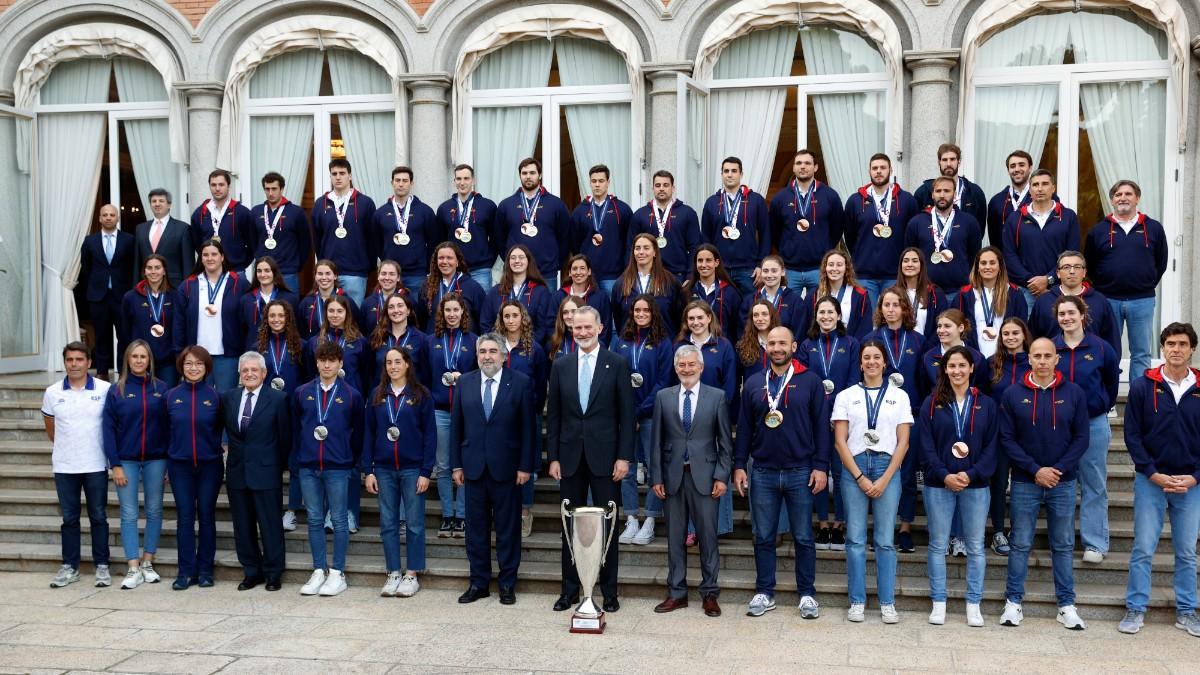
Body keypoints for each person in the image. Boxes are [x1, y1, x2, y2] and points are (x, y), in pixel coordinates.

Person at [734, 326, 830, 619]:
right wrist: (739, 465)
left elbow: (821, 428)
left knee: (803, 536)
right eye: (772, 343)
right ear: (766, 347)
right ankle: (764, 592)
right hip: (762, 471)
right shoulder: (753, 383)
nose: (777, 348)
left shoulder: (811, 381)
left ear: (794, 345)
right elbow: (745, 428)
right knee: (763, 535)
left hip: (801, 470)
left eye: (782, 343)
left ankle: (807, 594)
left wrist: (821, 466)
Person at [546, 305, 635, 613]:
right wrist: (553, 456)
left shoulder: (617, 363)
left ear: (599, 328)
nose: (581, 332)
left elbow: (627, 415)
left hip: (606, 458)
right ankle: (569, 589)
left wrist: (624, 457)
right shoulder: (561, 365)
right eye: (576, 327)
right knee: (568, 525)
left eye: (587, 327)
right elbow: (554, 415)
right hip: (569, 457)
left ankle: (609, 591)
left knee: (608, 525)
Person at [998, 337, 1090, 630]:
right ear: (1029, 359)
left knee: (1062, 544)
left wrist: (1058, 470)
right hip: (1026, 481)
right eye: (1036, 355)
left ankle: (1066, 605)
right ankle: (1013, 603)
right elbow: (1007, 439)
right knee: (1020, 543)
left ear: (1056, 359)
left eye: (1047, 355)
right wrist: (1035, 469)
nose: (1041, 360)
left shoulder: (1074, 393)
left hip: (1063, 482)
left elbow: (1081, 438)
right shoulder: (1013, 394)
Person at [1119, 322, 1200, 635]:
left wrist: (1194, 477)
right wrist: (1153, 473)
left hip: (1190, 485)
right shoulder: (1143, 386)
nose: (1176, 349)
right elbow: (1132, 435)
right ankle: (1135, 609)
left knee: (1187, 552)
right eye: (1170, 344)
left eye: (1182, 344)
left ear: (1191, 349)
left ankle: (1187, 611)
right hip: (1151, 480)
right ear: (1162, 348)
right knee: (1143, 548)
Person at [451, 333, 537, 605]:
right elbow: (456, 427)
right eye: (482, 351)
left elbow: (529, 429)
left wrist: (526, 466)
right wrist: (455, 464)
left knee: (508, 530)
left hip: (508, 470)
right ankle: (478, 583)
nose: (487, 356)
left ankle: (507, 584)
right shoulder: (465, 382)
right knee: (475, 530)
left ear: (503, 355)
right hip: (473, 469)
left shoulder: (520, 383)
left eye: (492, 351)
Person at [833, 339, 913, 624]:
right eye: (866, 357)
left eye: (876, 357)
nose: (871, 362)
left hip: (886, 466)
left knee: (885, 541)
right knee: (855, 539)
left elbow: (903, 442)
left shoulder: (899, 396)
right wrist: (859, 476)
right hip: (854, 466)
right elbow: (840, 441)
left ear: (884, 362)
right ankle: (857, 601)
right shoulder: (846, 395)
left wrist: (885, 478)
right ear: (860, 363)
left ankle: (887, 602)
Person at [650, 344, 733, 617]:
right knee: (674, 537)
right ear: (676, 368)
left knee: (708, 537)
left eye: (691, 365)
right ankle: (677, 593)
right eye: (682, 365)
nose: (686, 369)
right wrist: (657, 477)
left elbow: (724, 441)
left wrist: (722, 476)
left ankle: (710, 594)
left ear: (701, 367)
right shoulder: (663, 396)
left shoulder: (717, 397)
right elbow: (656, 442)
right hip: (673, 477)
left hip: (706, 478)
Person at [918, 346, 998, 626]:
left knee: (975, 546)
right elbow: (925, 446)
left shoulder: (986, 403)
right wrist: (944, 475)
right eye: (952, 366)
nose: (957, 371)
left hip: (975, 485)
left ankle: (973, 603)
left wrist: (972, 474)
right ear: (945, 370)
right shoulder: (932, 402)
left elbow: (992, 446)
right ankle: (938, 601)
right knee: (938, 544)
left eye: (962, 365)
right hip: (939, 484)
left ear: (972, 368)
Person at [363, 347, 436, 598]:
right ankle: (393, 571)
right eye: (388, 363)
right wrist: (368, 470)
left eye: (397, 362)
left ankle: (412, 574)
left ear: (407, 364)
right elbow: (369, 434)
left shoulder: (420, 395)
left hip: (412, 468)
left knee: (414, 523)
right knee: (388, 523)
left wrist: (426, 471)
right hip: (383, 469)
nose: (393, 366)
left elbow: (430, 436)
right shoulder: (377, 395)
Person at [293, 341, 364, 597]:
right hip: (309, 465)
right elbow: (296, 428)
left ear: (340, 363)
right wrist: (302, 457)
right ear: (316, 362)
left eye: (332, 360)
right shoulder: (302, 392)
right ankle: (319, 569)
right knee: (313, 518)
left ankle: (338, 572)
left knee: (339, 518)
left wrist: (350, 459)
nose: (326, 364)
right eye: (322, 360)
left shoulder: (352, 395)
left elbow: (357, 432)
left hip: (338, 466)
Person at [1052, 295, 1119, 564]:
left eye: (1071, 313)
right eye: (1061, 314)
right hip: (1058, 426)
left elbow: (1111, 386)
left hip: (1093, 423)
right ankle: (1063, 540)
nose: (1066, 318)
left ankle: (1095, 543)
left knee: (1093, 484)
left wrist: (1100, 406)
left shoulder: (1101, 348)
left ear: (1082, 315)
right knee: (1063, 484)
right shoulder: (1050, 348)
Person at [43, 342, 112, 589]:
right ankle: (70, 567)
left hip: (95, 463)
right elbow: (52, 430)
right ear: (65, 363)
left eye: (79, 359)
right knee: (70, 519)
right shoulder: (52, 392)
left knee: (98, 516)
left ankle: (102, 566)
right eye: (70, 360)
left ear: (89, 363)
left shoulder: (105, 389)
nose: (74, 364)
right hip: (64, 465)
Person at [102, 340, 169, 589]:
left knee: (154, 510)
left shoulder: (161, 389)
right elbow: (108, 430)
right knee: (129, 513)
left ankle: (148, 562)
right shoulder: (116, 390)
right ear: (127, 360)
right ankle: (133, 567)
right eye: (134, 356)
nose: (139, 361)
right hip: (126, 460)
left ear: (149, 360)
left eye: (143, 356)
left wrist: (169, 462)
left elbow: (168, 427)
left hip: (156, 459)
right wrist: (115, 464)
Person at [1084, 179, 1168, 377]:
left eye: (1128, 194)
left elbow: (1161, 263)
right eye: (1118, 194)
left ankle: (1139, 401)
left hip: (1142, 300)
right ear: (1112, 200)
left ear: (1137, 198)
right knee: (1107, 350)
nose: (1123, 198)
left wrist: (1144, 283)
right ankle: (1109, 402)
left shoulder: (1153, 228)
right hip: (1107, 299)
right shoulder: (1098, 231)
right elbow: (1089, 264)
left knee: (1141, 353)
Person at [223, 350, 292, 592]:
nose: (250, 374)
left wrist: (277, 465)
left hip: (266, 472)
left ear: (264, 373)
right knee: (243, 526)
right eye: (245, 370)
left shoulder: (279, 399)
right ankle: (251, 571)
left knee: (270, 525)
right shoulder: (229, 398)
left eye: (255, 370)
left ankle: (273, 573)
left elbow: (285, 438)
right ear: (239, 374)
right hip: (237, 472)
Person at [864, 287, 925, 552]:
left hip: (910, 413)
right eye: (886, 305)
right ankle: (879, 527)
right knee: (876, 470)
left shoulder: (918, 340)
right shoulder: (871, 338)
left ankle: (905, 527)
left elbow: (923, 379)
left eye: (895, 305)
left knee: (907, 471)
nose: (890, 309)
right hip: (877, 415)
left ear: (904, 309)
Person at [799, 296, 861, 546]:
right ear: (816, 316)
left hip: (842, 417)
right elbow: (803, 379)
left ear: (838, 315)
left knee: (842, 470)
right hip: (815, 416)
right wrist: (818, 410)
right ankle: (823, 523)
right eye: (821, 312)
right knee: (819, 469)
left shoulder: (851, 343)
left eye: (830, 312)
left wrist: (839, 412)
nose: (825, 316)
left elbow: (854, 379)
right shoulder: (807, 344)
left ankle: (840, 523)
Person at [612, 294, 673, 546]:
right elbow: (614, 377)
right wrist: (627, 412)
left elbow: (664, 381)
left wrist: (638, 412)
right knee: (625, 468)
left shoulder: (662, 342)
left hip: (650, 415)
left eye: (645, 310)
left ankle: (649, 519)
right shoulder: (621, 341)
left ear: (653, 313)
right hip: (625, 415)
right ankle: (631, 518)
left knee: (652, 466)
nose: (640, 314)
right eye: (637, 310)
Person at [165, 346, 224, 589]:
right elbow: (164, 432)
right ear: (181, 366)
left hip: (210, 465)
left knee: (207, 517)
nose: (193, 368)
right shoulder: (171, 396)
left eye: (199, 364)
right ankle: (185, 571)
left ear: (207, 367)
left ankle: (206, 570)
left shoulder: (215, 397)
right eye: (189, 363)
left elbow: (222, 430)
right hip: (180, 466)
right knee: (185, 518)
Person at [495, 301, 548, 537]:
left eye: (515, 315)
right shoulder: (494, 347)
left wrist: (532, 411)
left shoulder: (534, 349)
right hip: (498, 418)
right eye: (506, 316)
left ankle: (525, 514)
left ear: (522, 318)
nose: (510, 320)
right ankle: (503, 513)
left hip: (526, 416)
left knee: (525, 465)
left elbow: (540, 385)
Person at [254, 300, 307, 533]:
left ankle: (292, 510)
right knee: (270, 461)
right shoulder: (257, 347)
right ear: (266, 319)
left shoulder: (301, 346)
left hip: (294, 411)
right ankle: (271, 508)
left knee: (295, 461)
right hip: (267, 412)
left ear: (288, 318)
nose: (276, 320)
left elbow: (307, 379)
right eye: (272, 316)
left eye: (281, 316)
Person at [428, 293, 478, 538]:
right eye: (447, 310)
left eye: (456, 310)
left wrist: (464, 379)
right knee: (444, 465)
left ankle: (462, 515)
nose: (451, 314)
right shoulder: (431, 342)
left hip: (467, 411)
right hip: (440, 411)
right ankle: (448, 515)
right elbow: (425, 377)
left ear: (462, 312)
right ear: (442, 313)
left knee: (466, 463)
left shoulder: (474, 341)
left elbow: (480, 376)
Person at [844, 153, 920, 308]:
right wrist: (862, 256)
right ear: (869, 171)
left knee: (894, 319)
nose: (878, 171)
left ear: (890, 170)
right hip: (864, 274)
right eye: (875, 168)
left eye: (883, 168)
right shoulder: (855, 201)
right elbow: (850, 236)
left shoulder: (907, 200)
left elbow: (913, 236)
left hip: (896, 275)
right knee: (867, 321)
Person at [174, 240, 248, 391]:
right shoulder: (188, 285)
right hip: (197, 355)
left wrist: (246, 352)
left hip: (228, 356)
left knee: (225, 401)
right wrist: (180, 352)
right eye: (205, 255)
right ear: (200, 258)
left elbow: (246, 320)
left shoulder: (238, 283)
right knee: (200, 400)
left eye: (214, 254)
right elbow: (179, 322)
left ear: (222, 257)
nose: (210, 258)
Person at [769, 150, 844, 298]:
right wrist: (787, 248)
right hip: (790, 269)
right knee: (789, 312)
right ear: (793, 168)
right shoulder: (781, 197)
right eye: (799, 163)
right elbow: (774, 231)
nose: (803, 167)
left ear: (815, 167)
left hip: (819, 268)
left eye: (807, 163)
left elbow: (837, 228)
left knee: (819, 313)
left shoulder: (830, 196)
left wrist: (824, 247)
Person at [1002, 170, 1080, 313]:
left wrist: (1048, 279)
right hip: (1025, 291)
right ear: (1030, 189)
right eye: (1035, 185)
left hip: (1059, 290)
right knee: (1027, 334)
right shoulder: (1015, 218)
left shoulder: (1068, 217)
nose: (1040, 188)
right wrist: (1032, 282)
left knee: (1058, 333)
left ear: (1053, 188)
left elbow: (1072, 255)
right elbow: (1009, 255)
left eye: (1045, 184)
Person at [986, 316, 1033, 555]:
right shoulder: (992, 363)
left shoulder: (1034, 363)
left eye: (1015, 333)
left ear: (1024, 335)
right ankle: (998, 532)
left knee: (1023, 484)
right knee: (998, 483)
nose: (1011, 337)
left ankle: (1019, 530)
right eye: (1006, 334)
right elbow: (982, 398)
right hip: (999, 434)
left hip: (1027, 434)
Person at [906, 176, 983, 304]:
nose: (942, 195)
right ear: (932, 195)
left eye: (947, 191)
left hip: (960, 291)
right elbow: (910, 254)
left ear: (955, 194)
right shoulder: (917, 222)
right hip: (926, 291)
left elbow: (975, 256)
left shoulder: (969, 222)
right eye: (938, 191)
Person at [80, 204, 135, 380]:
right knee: (101, 335)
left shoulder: (129, 240)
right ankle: (102, 372)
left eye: (112, 214)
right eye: (105, 215)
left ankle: (123, 371)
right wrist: (97, 285)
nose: (109, 217)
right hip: (98, 296)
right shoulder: (90, 241)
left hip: (122, 295)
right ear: (100, 218)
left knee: (124, 335)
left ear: (117, 218)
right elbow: (86, 268)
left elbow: (133, 266)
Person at [496, 157, 571, 286]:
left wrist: (555, 263)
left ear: (540, 175)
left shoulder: (556, 204)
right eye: (524, 173)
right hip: (516, 272)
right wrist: (511, 260)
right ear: (520, 176)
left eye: (532, 173)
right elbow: (499, 238)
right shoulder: (506, 205)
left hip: (546, 273)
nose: (528, 176)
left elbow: (565, 237)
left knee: (547, 306)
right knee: (516, 306)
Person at [311, 159, 377, 305]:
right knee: (330, 316)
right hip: (328, 274)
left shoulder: (365, 203)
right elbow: (317, 238)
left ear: (350, 176)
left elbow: (372, 238)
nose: (338, 177)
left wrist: (368, 265)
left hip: (356, 272)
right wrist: (324, 263)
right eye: (334, 174)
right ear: (330, 176)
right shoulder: (320, 203)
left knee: (353, 317)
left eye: (342, 173)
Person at [701, 157, 770, 296]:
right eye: (726, 171)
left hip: (749, 270)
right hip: (720, 269)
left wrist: (761, 265)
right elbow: (706, 238)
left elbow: (766, 234)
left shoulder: (756, 200)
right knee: (721, 310)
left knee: (750, 311)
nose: (730, 174)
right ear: (721, 174)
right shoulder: (712, 202)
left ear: (741, 174)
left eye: (734, 171)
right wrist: (709, 265)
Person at [1028, 250, 1118, 350]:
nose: (1072, 271)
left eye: (1077, 267)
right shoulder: (1044, 302)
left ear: (1084, 272)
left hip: (1092, 363)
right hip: (1054, 363)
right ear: (1058, 273)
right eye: (1066, 267)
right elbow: (1032, 338)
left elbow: (1112, 340)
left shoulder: (1100, 301)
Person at [375, 166, 441, 290]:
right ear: (392, 183)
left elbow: (433, 241)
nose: (401, 184)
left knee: (417, 308)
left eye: (405, 181)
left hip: (417, 274)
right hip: (390, 274)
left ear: (411, 183)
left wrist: (425, 266)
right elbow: (376, 242)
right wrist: (386, 259)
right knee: (392, 309)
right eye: (397, 180)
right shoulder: (381, 213)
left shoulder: (425, 211)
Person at [570, 164, 633, 293]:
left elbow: (629, 241)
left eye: (601, 181)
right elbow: (574, 243)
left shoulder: (622, 209)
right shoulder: (579, 211)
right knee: (587, 312)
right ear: (590, 182)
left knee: (611, 312)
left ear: (608, 182)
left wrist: (626, 269)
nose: (597, 185)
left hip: (613, 275)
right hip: (587, 275)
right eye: (594, 181)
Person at [630, 169, 703, 281]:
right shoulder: (640, 214)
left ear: (673, 188)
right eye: (658, 185)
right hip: (648, 275)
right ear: (653, 188)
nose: (661, 188)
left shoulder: (687, 213)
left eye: (666, 185)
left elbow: (695, 247)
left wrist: (690, 276)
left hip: (678, 275)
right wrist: (632, 275)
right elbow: (630, 247)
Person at [957, 247, 1028, 358]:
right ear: (977, 267)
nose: (988, 267)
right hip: (973, 356)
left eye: (992, 263)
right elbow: (958, 327)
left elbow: (1022, 326)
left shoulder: (1014, 293)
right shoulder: (965, 294)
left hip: (1005, 357)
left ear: (1000, 267)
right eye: (983, 263)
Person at [436, 163, 498, 290]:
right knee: (453, 308)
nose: (462, 182)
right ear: (454, 181)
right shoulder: (444, 208)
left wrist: (487, 260)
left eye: (466, 178)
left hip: (481, 270)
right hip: (453, 270)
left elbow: (495, 238)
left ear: (473, 180)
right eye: (458, 179)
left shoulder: (488, 206)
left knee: (481, 308)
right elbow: (440, 241)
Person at [121, 254, 178, 386]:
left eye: (157, 268)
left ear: (164, 271)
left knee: (166, 399)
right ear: (144, 271)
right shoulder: (130, 298)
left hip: (167, 362)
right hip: (140, 361)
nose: (153, 271)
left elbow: (179, 327)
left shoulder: (174, 296)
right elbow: (124, 331)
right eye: (149, 268)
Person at [481, 244, 556, 346]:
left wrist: (526, 346)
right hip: (500, 350)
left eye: (521, 257)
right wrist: (498, 345)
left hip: (529, 350)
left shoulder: (541, 292)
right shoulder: (495, 292)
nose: (517, 261)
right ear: (508, 263)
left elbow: (542, 327)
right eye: (513, 258)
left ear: (528, 261)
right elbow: (486, 323)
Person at [611, 232, 682, 336]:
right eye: (637, 248)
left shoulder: (670, 282)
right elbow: (618, 319)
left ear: (655, 252)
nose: (641, 252)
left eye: (646, 248)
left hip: (663, 344)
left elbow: (678, 317)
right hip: (631, 345)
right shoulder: (621, 284)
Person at [250, 172, 310, 292]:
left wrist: (295, 265)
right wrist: (258, 257)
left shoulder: (296, 212)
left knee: (288, 309)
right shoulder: (256, 212)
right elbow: (252, 241)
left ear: (282, 189)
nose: (270, 193)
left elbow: (305, 243)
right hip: (263, 273)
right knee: (263, 309)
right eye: (267, 189)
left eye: (274, 189)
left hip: (287, 273)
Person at [306, 295, 370, 402]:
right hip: (322, 399)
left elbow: (366, 373)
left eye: (340, 311)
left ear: (347, 313)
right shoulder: (314, 342)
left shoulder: (360, 342)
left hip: (351, 399)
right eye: (331, 311)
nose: (335, 315)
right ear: (326, 313)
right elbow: (310, 373)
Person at [189, 169, 253, 272]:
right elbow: (197, 244)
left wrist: (240, 263)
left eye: (221, 184)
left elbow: (252, 243)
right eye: (213, 185)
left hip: (235, 271)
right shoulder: (200, 213)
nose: (217, 188)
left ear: (228, 186)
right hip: (209, 272)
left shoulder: (242, 212)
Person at [912, 143, 988, 228]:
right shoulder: (923, 192)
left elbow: (979, 229)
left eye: (952, 159)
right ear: (939, 162)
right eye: (944, 160)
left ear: (958, 162)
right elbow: (916, 226)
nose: (948, 164)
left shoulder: (975, 192)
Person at [418, 242, 487, 333]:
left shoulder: (473, 287)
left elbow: (481, 320)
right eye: (441, 258)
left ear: (457, 261)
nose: (444, 262)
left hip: (464, 344)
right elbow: (422, 319)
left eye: (449, 258)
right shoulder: (427, 286)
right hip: (435, 343)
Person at [368, 293, 429, 393]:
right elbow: (370, 373)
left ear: (408, 311)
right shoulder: (377, 337)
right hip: (382, 398)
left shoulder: (422, 339)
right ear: (387, 312)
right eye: (391, 307)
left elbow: (426, 374)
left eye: (400, 306)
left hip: (412, 399)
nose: (396, 310)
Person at [135, 187, 194, 288]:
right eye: (154, 201)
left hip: (174, 286)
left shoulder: (182, 228)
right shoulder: (140, 228)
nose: (157, 204)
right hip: (146, 285)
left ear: (169, 204)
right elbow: (137, 262)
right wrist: (136, 286)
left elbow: (188, 263)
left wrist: (188, 289)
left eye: (161, 201)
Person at [683, 244, 743, 342]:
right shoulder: (687, 292)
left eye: (708, 260)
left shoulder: (730, 292)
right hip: (693, 350)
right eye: (700, 260)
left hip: (722, 348)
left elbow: (736, 326)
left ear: (716, 262)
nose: (703, 265)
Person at [922, 309, 989, 396]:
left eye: (947, 326)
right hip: (937, 407)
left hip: (969, 408)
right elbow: (924, 391)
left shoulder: (977, 357)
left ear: (961, 328)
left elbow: (982, 391)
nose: (941, 330)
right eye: (939, 326)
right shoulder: (928, 357)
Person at [239, 256, 299, 349]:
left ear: (274, 272)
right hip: (254, 351)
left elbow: (295, 327)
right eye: (259, 271)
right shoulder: (246, 300)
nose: (263, 274)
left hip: (282, 350)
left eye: (267, 270)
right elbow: (242, 330)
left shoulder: (289, 298)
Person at [893, 246, 950, 344]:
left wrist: (927, 348)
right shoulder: (892, 293)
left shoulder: (935, 293)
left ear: (922, 265)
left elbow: (942, 325)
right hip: (898, 349)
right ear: (901, 265)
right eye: (906, 261)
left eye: (915, 261)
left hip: (926, 349)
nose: (910, 264)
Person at [811, 250, 871, 340]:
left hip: (849, 347)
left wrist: (854, 347)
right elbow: (808, 324)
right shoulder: (815, 294)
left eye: (839, 265)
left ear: (846, 268)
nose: (834, 269)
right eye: (831, 265)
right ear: (825, 268)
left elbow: (865, 327)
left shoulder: (860, 296)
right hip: (821, 347)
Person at [740, 255, 804, 337]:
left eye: (774, 271)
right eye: (765, 271)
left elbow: (799, 332)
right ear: (761, 273)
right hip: (756, 348)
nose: (769, 275)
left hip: (783, 348)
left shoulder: (795, 301)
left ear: (783, 272)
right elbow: (743, 331)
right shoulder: (750, 300)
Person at [297, 259, 362, 340]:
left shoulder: (347, 301)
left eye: (328, 273)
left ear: (335, 276)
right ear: (315, 276)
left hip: (341, 347)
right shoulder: (306, 302)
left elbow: (357, 325)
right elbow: (301, 330)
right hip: (315, 349)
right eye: (320, 274)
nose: (324, 277)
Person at [985, 150, 1034, 250]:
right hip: (1006, 262)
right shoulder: (996, 201)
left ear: (1030, 168)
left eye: (1021, 165)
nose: (1017, 169)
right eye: (1012, 166)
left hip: (1034, 261)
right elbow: (994, 239)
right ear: (1008, 171)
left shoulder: (1041, 198)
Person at [556, 254, 613, 331]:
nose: (578, 272)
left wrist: (596, 343)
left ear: (589, 271)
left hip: (593, 342)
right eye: (574, 269)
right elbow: (552, 325)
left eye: (582, 268)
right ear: (569, 273)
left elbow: (606, 327)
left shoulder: (601, 298)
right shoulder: (559, 296)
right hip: (565, 343)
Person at [360, 260, 410, 336]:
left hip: (401, 346)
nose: (387, 277)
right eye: (383, 274)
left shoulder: (408, 300)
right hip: (375, 346)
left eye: (392, 274)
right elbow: (362, 330)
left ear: (398, 278)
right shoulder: (367, 303)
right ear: (378, 276)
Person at [736, 299, 781, 383]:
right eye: (756, 315)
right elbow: (737, 378)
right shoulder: (743, 346)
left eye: (764, 314)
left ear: (771, 316)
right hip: (753, 394)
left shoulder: (783, 344)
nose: (760, 319)